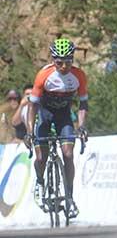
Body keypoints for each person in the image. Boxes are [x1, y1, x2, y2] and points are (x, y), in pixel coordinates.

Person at [24, 38, 88, 218]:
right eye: (59, 62)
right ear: (53, 60)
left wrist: (82, 126)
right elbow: (32, 106)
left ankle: (69, 196)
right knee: (41, 157)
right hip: (44, 116)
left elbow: (83, 104)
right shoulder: (44, 75)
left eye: (68, 60)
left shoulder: (79, 76)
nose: (64, 66)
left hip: (64, 116)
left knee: (68, 154)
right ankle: (40, 181)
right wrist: (29, 132)